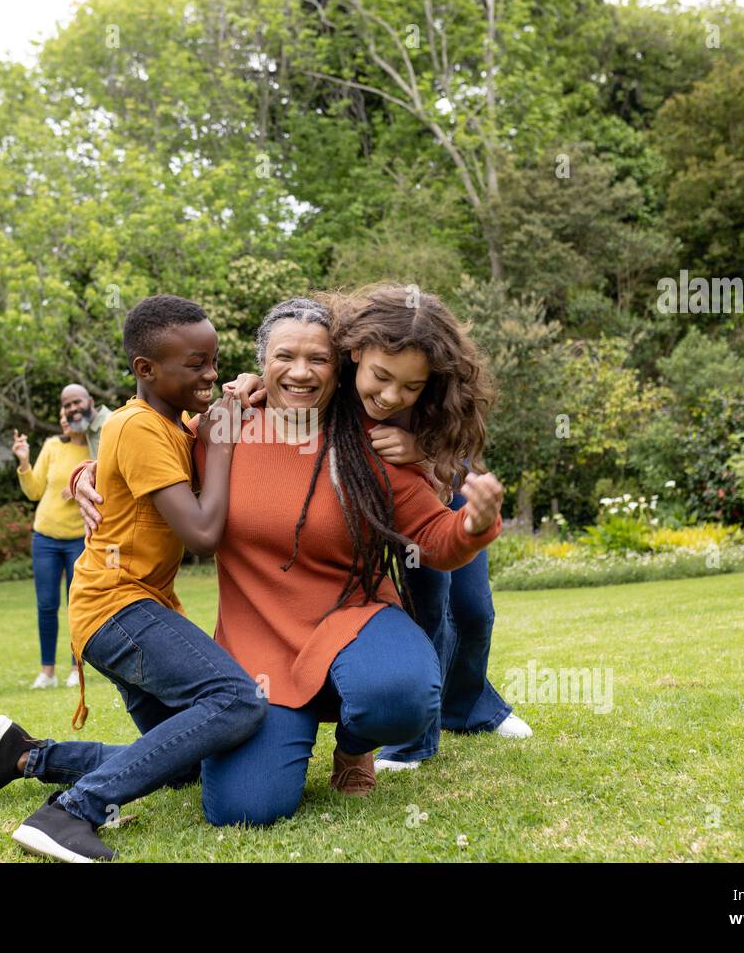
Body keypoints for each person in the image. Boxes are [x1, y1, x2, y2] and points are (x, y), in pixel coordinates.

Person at [73, 297, 503, 826]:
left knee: (399, 695)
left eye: (318, 359)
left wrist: (473, 526)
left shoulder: (372, 439)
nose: (301, 372)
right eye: (285, 356)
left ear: (338, 366)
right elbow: (144, 455)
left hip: (354, 617)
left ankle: (355, 744)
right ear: (262, 363)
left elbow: (433, 538)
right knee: (244, 810)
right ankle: (48, 758)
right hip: (259, 641)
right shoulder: (221, 430)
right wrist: (85, 475)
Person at [0, 295, 266, 862]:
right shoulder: (141, 426)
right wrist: (218, 447)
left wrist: (245, 388)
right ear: (146, 370)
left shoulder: (171, 424)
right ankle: (70, 811)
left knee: (185, 761)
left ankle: (26, 757)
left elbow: (224, 406)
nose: (211, 373)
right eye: (195, 363)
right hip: (119, 607)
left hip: (123, 609)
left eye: (214, 360)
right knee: (236, 701)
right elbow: (201, 534)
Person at [227, 284, 530, 776]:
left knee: (474, 610)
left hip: (444, 487)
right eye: (381, 379)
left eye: (409, 388)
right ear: (355, 355)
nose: (391, 397)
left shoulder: (441, 396)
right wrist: (252, 381)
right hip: (373, 492)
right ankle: (412, 742)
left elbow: (460, 459)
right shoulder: (338, 377)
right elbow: (294, 373)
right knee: (426, 603)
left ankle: (475, 708)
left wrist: (426, 453)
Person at [13, 384, 110, 690]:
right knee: (46, 605)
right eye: (65, 405)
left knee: (76, 605)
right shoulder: (53, 445)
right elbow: (34, 491)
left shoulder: (96, 445)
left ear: (89, 404)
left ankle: (75, 668)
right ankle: (47, 672)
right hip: (46, 537)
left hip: (79, 538)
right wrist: (24, 462)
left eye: (76, 403)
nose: (71, 410)